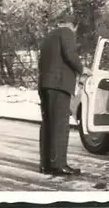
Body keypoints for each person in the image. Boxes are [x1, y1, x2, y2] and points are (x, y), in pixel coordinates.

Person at [37, 13, 90, 176]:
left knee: (48, 124)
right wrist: (82, 69)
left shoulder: (48, 37)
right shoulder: (66, 33)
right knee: (60, 126)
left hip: (46, 84)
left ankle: (46, 164)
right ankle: (59, 165)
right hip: (59, 85)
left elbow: (42, 62)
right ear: (73, 25)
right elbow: (70, 54)